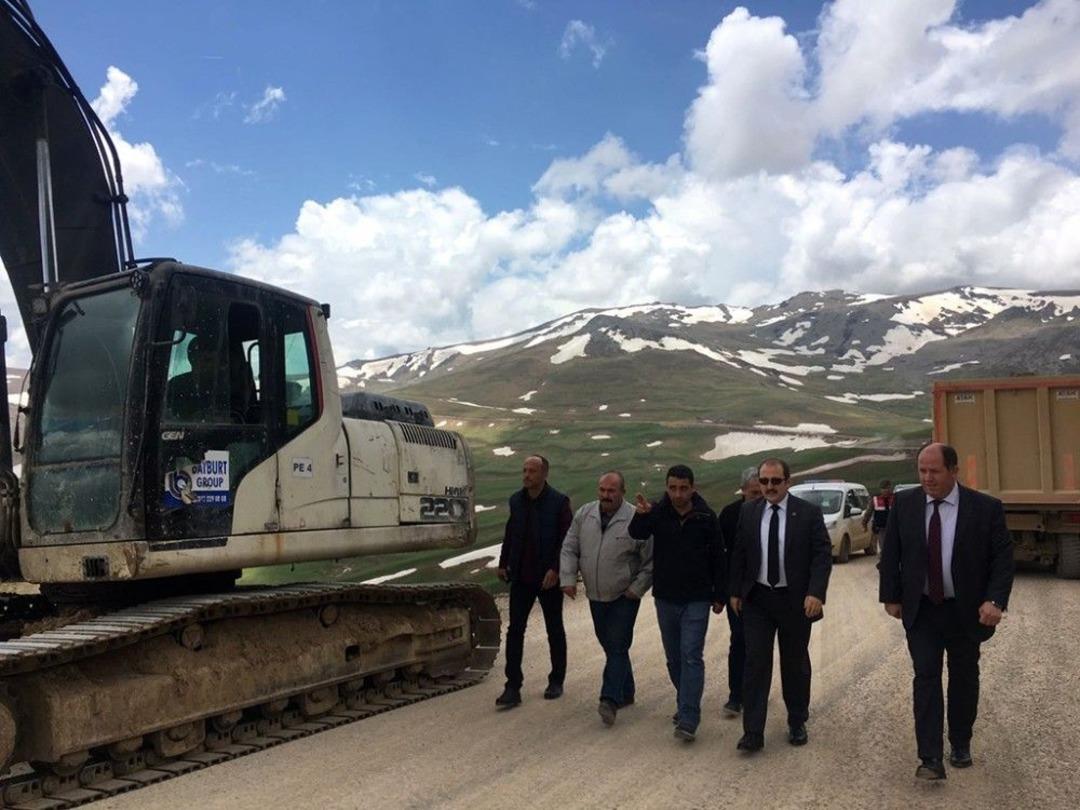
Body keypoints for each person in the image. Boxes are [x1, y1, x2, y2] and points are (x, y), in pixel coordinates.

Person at [879, 443, 1013, 780]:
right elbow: (891, 551)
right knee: (925, 676)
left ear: (954, 470)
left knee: (964, 675)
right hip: (922, 610)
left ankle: (960, 741)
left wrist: (994, 601)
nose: (927, 478)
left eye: (934, 471)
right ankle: (930, 758)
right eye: (922, 471)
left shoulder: (985, 509)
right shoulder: (905, 504)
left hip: (965, 610)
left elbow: (1002, 560)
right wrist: (890, 596)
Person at [729, 457, 832, 753]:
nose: (769, 487)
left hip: (795, 600)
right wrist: (735, 590)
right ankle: (753, 732)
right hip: (758, 600)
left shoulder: (808, 513)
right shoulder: (749, 512)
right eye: (764, 481)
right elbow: (740, 553)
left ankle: (797, 720)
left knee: (795, 663)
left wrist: (816, 592)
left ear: (787, 481)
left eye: (775, 481)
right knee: (756, 662)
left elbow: (821, 555)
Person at [629, 464, 724, 742]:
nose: (678, 494)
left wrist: (719, 594)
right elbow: (638, 534)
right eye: (672, 488)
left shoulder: (706, 516)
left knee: (691, 655)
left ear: (692, 488)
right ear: (667, 487)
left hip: (697, 598)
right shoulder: (658, 511)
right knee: (674, 658)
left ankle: (688, 718)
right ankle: (685, 702)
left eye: (683, 488)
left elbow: (719, 556)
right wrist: (641, 515)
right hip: (666, 597)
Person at [560, 470, 653, 726]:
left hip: (625, 595)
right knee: (610, 644)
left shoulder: (636, 517)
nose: (605, 495)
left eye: (611, 491)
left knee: (618, 644)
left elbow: (650, 560)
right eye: (602, 490)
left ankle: (609, 699)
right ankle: (627, 691)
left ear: (622, 492)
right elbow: (570, 547)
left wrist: (638, 588)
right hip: (596, 594)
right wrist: (567, 578)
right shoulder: (585, 514)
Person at [495, 455, 573, 708]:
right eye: (524, 470)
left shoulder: (559, 503)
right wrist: (503, 562)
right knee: (515, 630)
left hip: (548, 578)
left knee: (554, 628)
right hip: (521, 576)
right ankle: (512, 686)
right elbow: (511, 532)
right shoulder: (516, 501)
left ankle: (556, 680)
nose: (526, 475)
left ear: (544, 474)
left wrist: (556, 569)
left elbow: (566, 540)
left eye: (531, 471)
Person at [717, 466, 762, 717]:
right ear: (743, 490)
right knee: (740, 641)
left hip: (767, 592)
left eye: (761, 492)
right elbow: (721, 557)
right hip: (738, 593)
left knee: (760, 645)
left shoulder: (772, 513)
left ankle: (756, 693)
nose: (759, 496)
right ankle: (736, 695)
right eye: (754, 492)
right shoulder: (730, 515)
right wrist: (723, 593)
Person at [862, 479, 894, 555]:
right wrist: (864, 523)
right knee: (883, 547)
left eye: (887, 489)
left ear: (890, 489)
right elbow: (868, 513)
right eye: (884, 489)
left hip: (894, 528)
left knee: (893, 547)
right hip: (881, 528)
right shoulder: (875, 500)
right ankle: (884, 561)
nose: (885, 491)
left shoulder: (895, 499)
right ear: (881, 490)